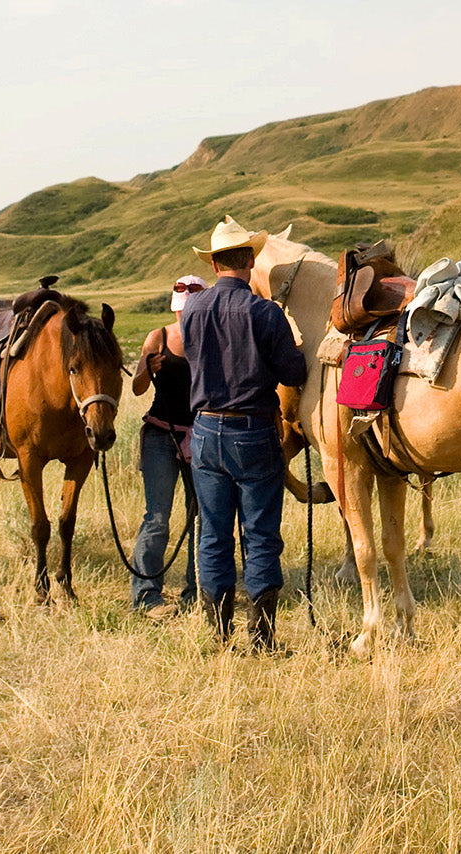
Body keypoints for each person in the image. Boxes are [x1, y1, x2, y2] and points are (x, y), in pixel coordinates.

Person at [180, 216, 307, 650]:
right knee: (260, 533)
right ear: (250, 260)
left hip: (204, 431)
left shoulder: (192, 311)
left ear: (215, 265)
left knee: (213, 532)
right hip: (252, 431)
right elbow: (294, 371)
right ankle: (262, 635)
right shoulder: (265, 312)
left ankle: (218, 633)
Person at [128, 274, 205, 619]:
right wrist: (146, 366)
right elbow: (138, 388)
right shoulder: (157, 337)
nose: (184, 316)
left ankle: (196, 591)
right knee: (157, 517)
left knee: (201, 518)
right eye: (181, 311)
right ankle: (146, 595)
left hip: (202, 434)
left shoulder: (212, 339)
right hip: (162, 434)